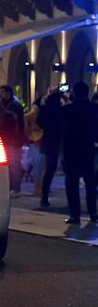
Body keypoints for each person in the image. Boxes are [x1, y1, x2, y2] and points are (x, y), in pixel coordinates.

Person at [59, 82, 98, 224]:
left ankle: (75, 215)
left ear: (74, 92)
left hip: (71, 151)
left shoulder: (68, 109)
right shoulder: (94, 109)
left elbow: (52, 120)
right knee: (90, 184)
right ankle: (93, 213)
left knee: (72, 184)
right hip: (88, 149)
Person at [0, 85, 26, 197]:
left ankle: (16, 188)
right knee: (7, 166)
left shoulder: (15, 106)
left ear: (9, 93)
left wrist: (19, 138)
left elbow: (20, 124)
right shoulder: (2, 105)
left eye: (3, 92)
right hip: (4, 139)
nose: (1, 94)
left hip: (14, 140)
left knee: (14, 165)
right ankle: (9, 187)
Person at [37, 90, 62, 208]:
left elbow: (39, 123)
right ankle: (45, 195)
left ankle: (44, 195)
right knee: (54, 168)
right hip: (59, 141)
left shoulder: (45, 110)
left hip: (48, 141)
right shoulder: (60, 110)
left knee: (49, 169)